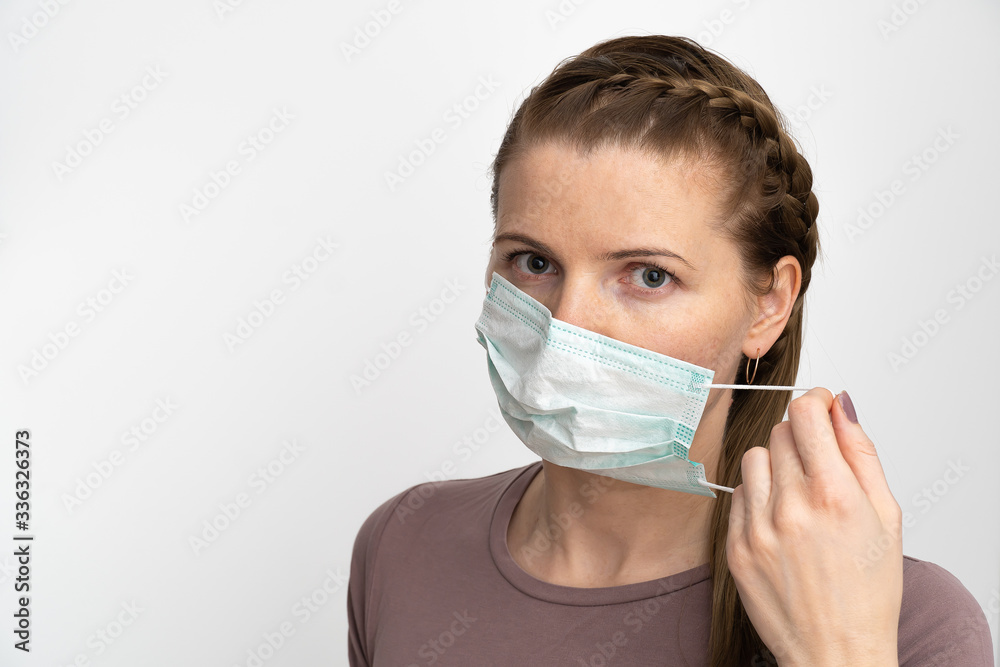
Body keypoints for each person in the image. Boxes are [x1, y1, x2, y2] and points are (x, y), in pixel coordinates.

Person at [347, 35, 994, 666]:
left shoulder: (907, 623)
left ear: (768, 304)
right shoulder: (402, 545)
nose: (565, 327)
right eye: (533, 260)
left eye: (649, 275)